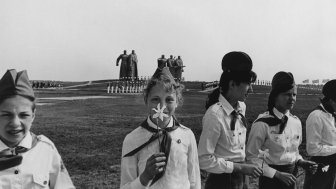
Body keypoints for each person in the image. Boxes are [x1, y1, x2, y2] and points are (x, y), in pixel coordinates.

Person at [120, 67, 201, 189]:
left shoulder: (187, 135)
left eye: (169, 100)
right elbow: (125, 186)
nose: (162, 106)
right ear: (146, 100)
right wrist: (145, 177)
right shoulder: (132, 139)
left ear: (177, 102)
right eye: (155, 99)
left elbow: (194, 181)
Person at [198, 51, 262, 189]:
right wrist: (239, 168)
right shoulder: (214, 115)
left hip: (241, 178)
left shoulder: (241, 107)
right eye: (248, 84)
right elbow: (203, 159)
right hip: (221, 181)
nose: (251, 89)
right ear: (232, 84)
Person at [0, 69, 75, 188]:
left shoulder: (46, 150)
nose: (15, 123)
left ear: (33, 115)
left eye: (23, 115)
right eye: (6, 114)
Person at [246, 71, 317, 189]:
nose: (292, 98)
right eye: (287, 94)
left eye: (294, 95)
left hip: (291, 178)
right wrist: (277, 174)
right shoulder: (262, 124)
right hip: (270, 180)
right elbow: (252, 158)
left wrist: (301, 162)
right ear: (275, 95)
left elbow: (294, 152)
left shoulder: (296, 122)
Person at [304, 79, 336, 189]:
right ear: (331, 100)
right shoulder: (316, 116)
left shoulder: (332, 115)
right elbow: (312, 149)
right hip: (320, 168)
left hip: (332, 167)